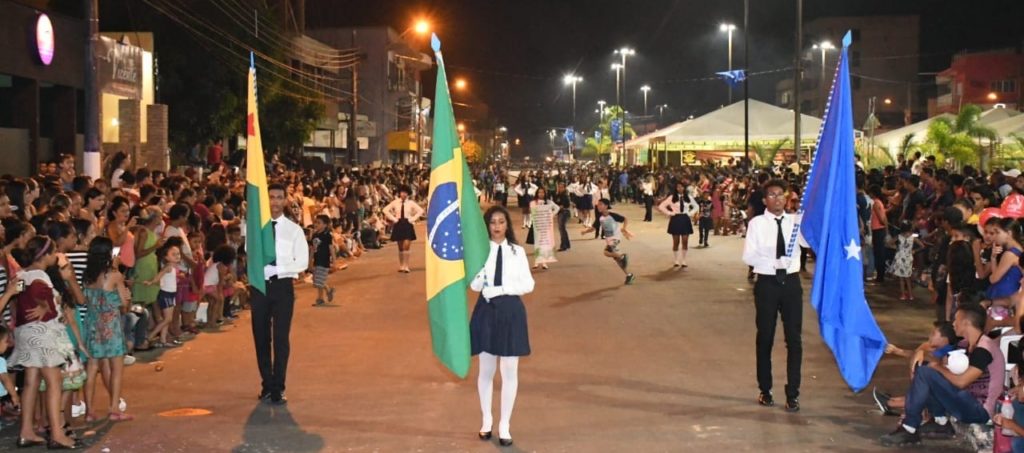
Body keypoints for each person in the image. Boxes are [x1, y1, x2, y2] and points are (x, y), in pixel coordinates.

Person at [879, 304, 1003, 447]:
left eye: (956, 319)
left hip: (979, 410)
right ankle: (941, 421)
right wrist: (923, 354)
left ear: (966, 322)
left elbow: (962, 381)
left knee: (927, 372)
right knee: (926, 369)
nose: (953, 324)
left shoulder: (984, 349)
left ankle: (909, 428)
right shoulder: (965, 344)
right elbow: (938, 359)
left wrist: (937, 367)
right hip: (967, 400)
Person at [9, 236, 83, 449]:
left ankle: (26, 431)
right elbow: (48, 307)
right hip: (43, 334)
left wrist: (41, 307)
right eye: (53, 253)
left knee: (31, 382)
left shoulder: (23, 274)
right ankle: (57, 434)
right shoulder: (41, 276)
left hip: (26, 332)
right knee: (54, 382)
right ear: (46, 255)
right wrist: (46, 307)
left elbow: (19, 301)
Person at [469, 206, 535, 447]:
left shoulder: (517, 252)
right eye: (492, 222)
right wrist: (478, 275)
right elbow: (475, 286)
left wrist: (502, 289)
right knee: (486, 370)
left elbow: (528, 284)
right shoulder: (479, 251)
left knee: (510, 371)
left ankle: (504, 424)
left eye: (501, 221)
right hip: (485, 310)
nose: (497, 226)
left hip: (510, 312)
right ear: (486, 226)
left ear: (507, 225)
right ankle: (486, 420)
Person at [742, 179, 805, 412]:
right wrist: (775, 261)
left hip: (791, 283)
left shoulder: (796, 222)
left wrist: (810, 219)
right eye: (772, 195)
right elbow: (749, 256)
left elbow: (810, 242)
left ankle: (793, 393)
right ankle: (765, 389)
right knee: (766, 337)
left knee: (794, 340)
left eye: (780, 194)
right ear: (764, 199)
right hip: (768, 283)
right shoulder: (757, 224)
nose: (777, 199)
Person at [252, 182, 309, 405]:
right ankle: (266, 384)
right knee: (261, 337)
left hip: (283, 286)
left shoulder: (293, 230)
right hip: (260, 287)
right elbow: (249, 251)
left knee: (280, 338)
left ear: (285, 200)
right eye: (271, 197)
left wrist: (278, 269)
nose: (274, 201)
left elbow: (302, 262)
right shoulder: (256, 227)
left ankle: (279, 386)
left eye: (278, 197)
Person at [82, 236, 133, 422]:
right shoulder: (114, 275)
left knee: (92, 367)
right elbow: (124, 305)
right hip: (111, 326)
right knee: (116, 368)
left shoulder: (87, 276)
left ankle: (89, 411)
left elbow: (86, 300)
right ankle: (113, 409)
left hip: (92, 324)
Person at [581, 199, 636, 285]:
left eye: (601, 204)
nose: (598, 206)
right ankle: (629, 274)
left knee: (606, 252)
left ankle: (622, 256)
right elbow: (593, 228)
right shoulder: (600, 218)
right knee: (617, 260)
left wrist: (624, 228)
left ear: (606, 206)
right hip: (609, 240)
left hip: (615, 238)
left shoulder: (612, 215)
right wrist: (585, 232)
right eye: (598, 204)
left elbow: (625, 219)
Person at [382, 185, 424, 273]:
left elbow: (420, 211)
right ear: (399, 193)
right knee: (400, 247)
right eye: (402, 192)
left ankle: (406, 266)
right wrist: (393, 219)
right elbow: (385, 210)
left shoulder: (411, 203)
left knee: (406, 245)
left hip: (407, 224)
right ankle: (401, 266)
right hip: (398, 224)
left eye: (405, 193)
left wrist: (412, 219)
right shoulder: (395, 202)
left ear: (408, 194)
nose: (403, 194)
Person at [658, 181, 699, 268]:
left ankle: (684, 260)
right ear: (676, 188)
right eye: (678, 187)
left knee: (685, 240)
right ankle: (676, 260)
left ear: (684, 188)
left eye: (681, 187)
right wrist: (669, 213)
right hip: (676, 219)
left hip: (685, 218)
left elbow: (696, 206)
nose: (680, 188)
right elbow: (661, 206)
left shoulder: (688, 197)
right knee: (676, 241)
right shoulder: (672, 197)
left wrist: (690, 213)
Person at [309, 214, 337, 306]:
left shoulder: (327, 235)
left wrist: (334, 262)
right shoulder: (314, 235)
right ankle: (322, 296)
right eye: (315, 222)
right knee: (317, 279)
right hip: (317, 260)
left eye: (319, 223)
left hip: (324, 260)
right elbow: (312, 249)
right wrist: (310, 261)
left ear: (325, 225)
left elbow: (331, 248)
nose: (316, 224)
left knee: (319, 280)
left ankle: (325, 294)